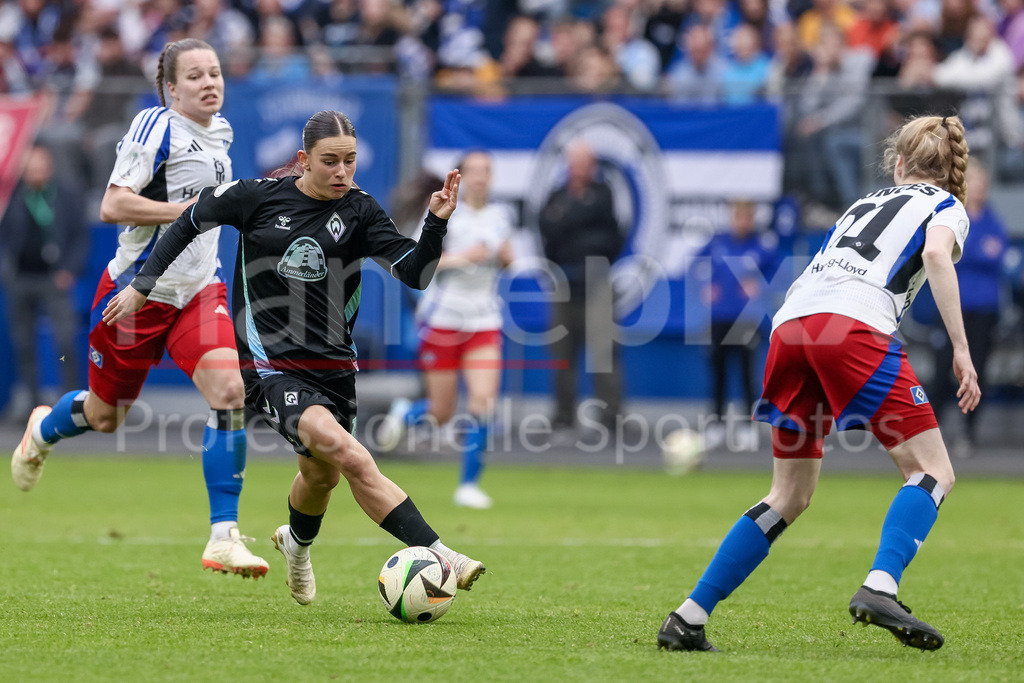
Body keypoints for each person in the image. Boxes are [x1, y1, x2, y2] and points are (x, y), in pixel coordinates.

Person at [102, 110, 486, 605]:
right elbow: (188, 221)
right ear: (304, 160)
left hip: (333, 368)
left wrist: (435, 222)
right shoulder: (256, 198)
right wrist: (142, 285)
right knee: (348, 454)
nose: (342, 172)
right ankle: (439, 552)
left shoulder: (361, 211)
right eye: (330, 161)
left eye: (349, 161)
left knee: (319, 474)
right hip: (268, 367)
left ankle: (297, 546)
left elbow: (415, 273)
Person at [657, 114, 980, 652]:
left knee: (789, 494)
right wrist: (962, 349)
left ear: (898, 164)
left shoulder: (863, 203)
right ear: (950, 173)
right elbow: (933, 256)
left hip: (791, 327)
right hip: (853, 328)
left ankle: (689, 616)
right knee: (932, 470)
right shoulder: (946, 205)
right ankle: (881, 585)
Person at [11, 39, 269, 580]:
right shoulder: (157, 126)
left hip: (198, 291)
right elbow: (112, 204)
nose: (208, 82)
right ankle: (43, 428)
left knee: (230, 392)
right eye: (194, 76)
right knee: (106, 418)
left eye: (215, 72)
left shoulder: (220, 134)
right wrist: (192, 211)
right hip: (134, 296)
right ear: (170, 88)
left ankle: (224, 536)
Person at [376, 150, 513, 509]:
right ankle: (407, 413)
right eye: (474, 171)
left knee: (484, 402)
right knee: (442, 412)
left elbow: (507, 256)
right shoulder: (444, 211)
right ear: (461, 176)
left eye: (486, 171)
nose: (481, 177)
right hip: (444, 319)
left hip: (484, 319)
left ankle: (468, 484)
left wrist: (507, 258)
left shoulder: (501, 216)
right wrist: (465, 258)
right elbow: (423, 262)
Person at [538, 139, 624, 433]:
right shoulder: (555, 195)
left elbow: (608, 239)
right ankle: (563, 414)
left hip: (596, 282)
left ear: (593, 166)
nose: (577, 169)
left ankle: (611, 415)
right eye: (573, 163)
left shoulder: (603, 195)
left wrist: (568, 222)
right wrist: (578, 227)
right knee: (561, 352)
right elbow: (546, 230)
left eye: (583, 163)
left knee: (603, 351)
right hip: (563, 282)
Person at [0, 143, 88, 415]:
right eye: (30, 166)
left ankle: (71, 403)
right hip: (21, 278)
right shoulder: (10, 194)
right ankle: (33, 404)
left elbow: (80, 236)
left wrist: (69, 270)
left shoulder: (66, 193)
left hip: (54, 278)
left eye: (40, 166)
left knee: (64, 341)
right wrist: (7, 270)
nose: (36, 172)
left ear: (49, 166)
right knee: (24, 344)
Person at [927, 163, 1006, 457]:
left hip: (984, 310)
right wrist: (977, 252)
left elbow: (997, 255)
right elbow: (948, 253)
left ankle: (967, 432)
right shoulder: (953, 216)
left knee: (978, 371)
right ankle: (930, 432)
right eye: (974, 182)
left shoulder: (991, 221)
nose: (979, 189)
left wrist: (969, 253)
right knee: (940, 371)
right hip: (951, 308)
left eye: (983, 183)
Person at [696, 200, 777, 449]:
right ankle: (716, 424)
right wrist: (704, 286)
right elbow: (696, 266)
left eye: (746, 217)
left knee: (746, 373)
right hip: (719, 318)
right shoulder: (717, 243)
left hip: (745, 319)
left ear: (752, 219)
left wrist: (760, 286)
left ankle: (746, 426)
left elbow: (777, 276)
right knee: (717, 371)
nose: (741, 222)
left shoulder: (762, 246)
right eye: (737, 217)